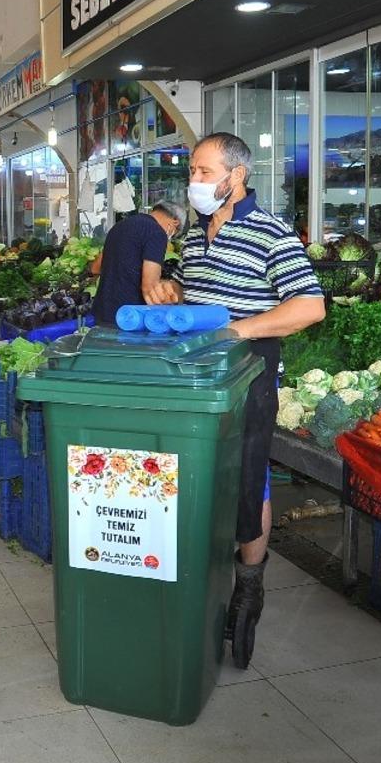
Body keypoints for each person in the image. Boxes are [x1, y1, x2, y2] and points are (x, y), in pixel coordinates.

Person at [145, 132, 325, 668]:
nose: (194, 182)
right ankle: (205, 571)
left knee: (248, 478)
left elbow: (310, 306)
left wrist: (240, 331)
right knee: (199, 473)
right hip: (197, 379)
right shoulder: (196, 235)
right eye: (192, 173)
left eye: (202, 172)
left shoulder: (270, 233)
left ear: (236, 176)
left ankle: (249, 581)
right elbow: (194, 288)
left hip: (249, 375)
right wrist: (172, 291)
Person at [89, 200, 186, 325]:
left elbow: (95, 268)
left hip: (103, 312)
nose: (171, 236)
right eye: (175, 232)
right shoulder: (156, 233)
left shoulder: (119, 226)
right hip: (129, 317)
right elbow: (150, 287)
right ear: (174, 222)